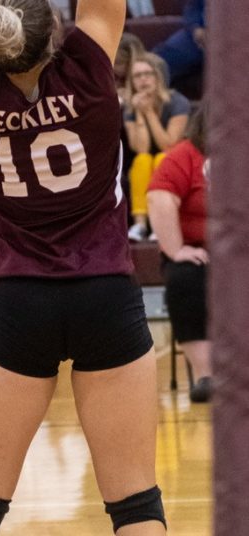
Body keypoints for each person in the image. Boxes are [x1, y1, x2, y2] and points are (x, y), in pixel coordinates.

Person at [0, 0, 167, 534]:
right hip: (106, 292)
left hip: (20, 300)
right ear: (55, 27)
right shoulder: (87, 65)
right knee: (136, 504)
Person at [147, 104, 211, 403]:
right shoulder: (185, 155)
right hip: (201, 254)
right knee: (184, 276)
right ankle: (206, 375)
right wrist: (176, 249)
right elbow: (159, 197)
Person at [123, 52, 189, 241]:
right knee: (142, 161)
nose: (143, 80)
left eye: (148, 74)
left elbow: (168, 144)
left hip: (176, 159)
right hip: (147, 159)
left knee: (162, 158)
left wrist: (149, 112)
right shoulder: (131, 107)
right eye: (137, 76)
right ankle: (141, 225)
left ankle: (162, 223)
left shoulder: (178, 102)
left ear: (159, 77)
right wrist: (140, 113)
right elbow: (141, 148)